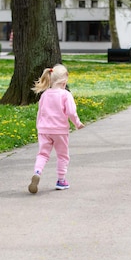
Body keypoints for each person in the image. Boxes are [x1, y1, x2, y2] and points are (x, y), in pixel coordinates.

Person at [28, 64, 84, 194]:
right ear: (64, 81)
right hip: (60, 131)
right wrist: (77, 123)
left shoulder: (45, 95)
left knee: (42, 154)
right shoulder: (65, 95)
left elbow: (40, 112)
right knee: (62, 155)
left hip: (44, 130)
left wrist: (39, 127)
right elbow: (71, 112)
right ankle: (61, 180)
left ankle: (37, 172)